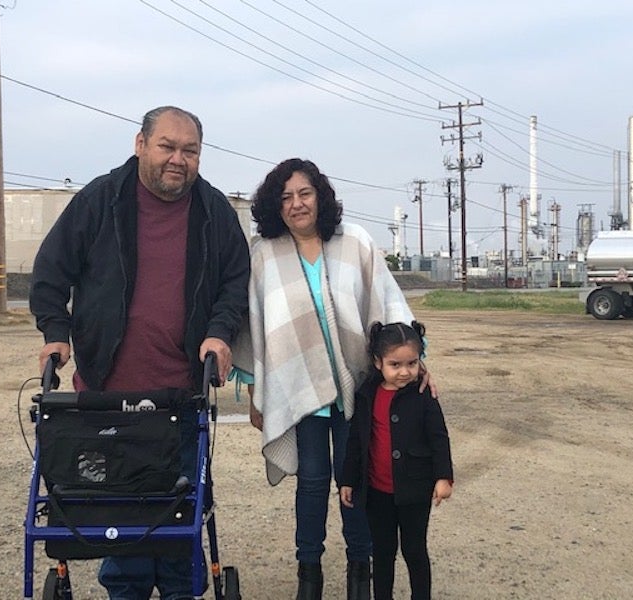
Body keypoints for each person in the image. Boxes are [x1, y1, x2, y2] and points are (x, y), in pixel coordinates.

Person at [29, 105, 250, 599]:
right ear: (140, 144)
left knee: (178, 513)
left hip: (180, 399)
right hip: (107, 395)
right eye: (167, 146)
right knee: (120, 515)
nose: (178, 159)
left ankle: (179, 591)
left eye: (189, 150)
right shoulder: (100, 200)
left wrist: (219, 332)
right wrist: (55, 331)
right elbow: (50, 271)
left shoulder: (214, 211)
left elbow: (235, 282)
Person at [231, 158, 432, 600]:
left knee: (355, 483)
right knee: (312, 483)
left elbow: (387, 303)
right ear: (274, 206)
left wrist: (419, 362)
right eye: (285, 197)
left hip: (356, 391)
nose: (297, 204)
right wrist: (255, 394)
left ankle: (360, 576)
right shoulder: (265, 253)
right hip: (299, 393)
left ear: (320, 196)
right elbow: (256, 329)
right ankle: (310, 576)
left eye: (305, 193)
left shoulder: (354, 242)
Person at [339, 321, 453, 600]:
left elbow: (439, 437)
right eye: (395, 364)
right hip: (377, 493)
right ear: (378, 363)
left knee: (414, 550)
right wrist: (348, 479)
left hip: (414, 491)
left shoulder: (424, 395)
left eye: (412, 363)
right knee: (382, 552)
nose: (405, 372)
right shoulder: (367, 394)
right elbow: (356, 441)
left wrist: (443, 477)